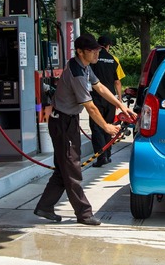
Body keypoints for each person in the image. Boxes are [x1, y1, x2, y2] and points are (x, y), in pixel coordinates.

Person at [34, 33, 136, 226]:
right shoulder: (77, 74)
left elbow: (101, 88)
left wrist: (121, 106)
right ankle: (84, 213)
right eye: (93, 50)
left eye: (98, 49)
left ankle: (45, 207)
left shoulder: (85, 67)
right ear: (81, 52)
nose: (97, 53)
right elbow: (90, 106)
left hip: (68, 122)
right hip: (62, 123)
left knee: (64, 168)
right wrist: (106, 126)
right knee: (72, 169)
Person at [89, 35, 123, 167]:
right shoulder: (113, 59)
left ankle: (100, 157)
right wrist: (119, 99)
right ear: (108, 45)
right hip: (110, 98)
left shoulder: (93, 58)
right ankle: (108, 155)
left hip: (96, 96)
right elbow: (117, 82)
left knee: (97, 127)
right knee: (109, 126)